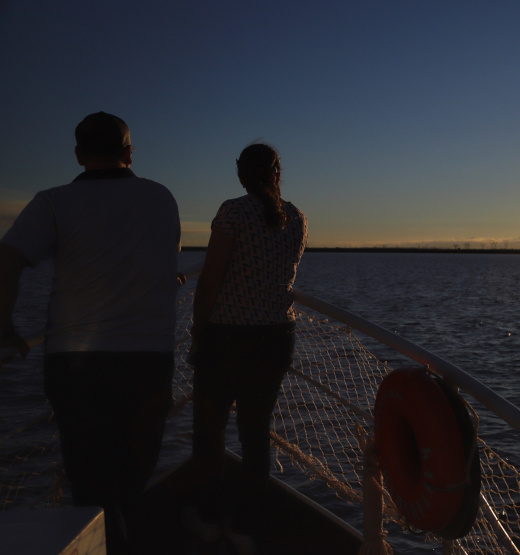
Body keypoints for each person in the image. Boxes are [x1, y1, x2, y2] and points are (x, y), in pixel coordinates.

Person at [0, 112, 181, 553]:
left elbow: (7, 259)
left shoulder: (52, 202)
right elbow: (159, 258)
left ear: (79, 155)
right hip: (148, 362)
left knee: (91, 486)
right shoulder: (161, 198)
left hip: (76, 364)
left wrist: (4, 325)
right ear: (129, 152)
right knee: (134, 478)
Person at [184, 142, 306, 551]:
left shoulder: (233, 211)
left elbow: (211, 280)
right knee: (256, 432)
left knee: (209, 429)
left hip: (227, 338)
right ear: (277, 172)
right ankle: (246, 523)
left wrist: (198, 333)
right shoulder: (297, 218)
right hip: (275, 339)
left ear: (241, 172)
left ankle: (208, 516)